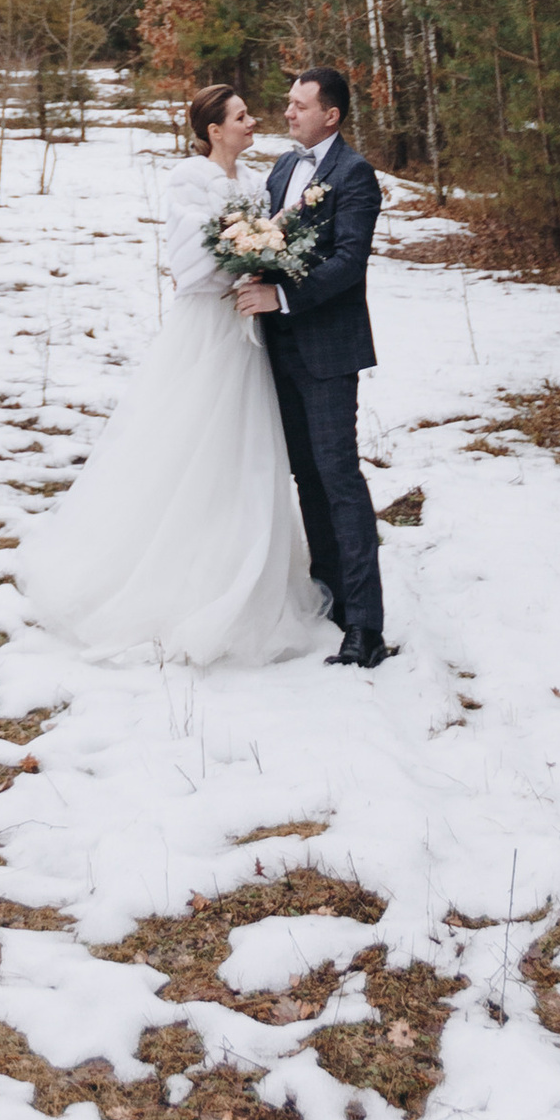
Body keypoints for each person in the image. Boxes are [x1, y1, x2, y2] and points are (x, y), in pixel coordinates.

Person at [15, 83, 330, 668]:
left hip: (248, 331)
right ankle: (171, 576)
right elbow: (191, 264)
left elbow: (269, 235)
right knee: (191, 442)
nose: (252, 121)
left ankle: (246, 567)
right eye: (241, 116)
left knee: (245, 450)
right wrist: (242, 262)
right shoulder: (191, 179)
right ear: (215, 130)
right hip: (208, 327)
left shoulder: (254, 183)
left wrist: (267, 259)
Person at [233, 66, 391, 668]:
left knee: (339, 477)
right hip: (280, 346)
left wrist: (284, 296)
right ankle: (330, 592)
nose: (288, 112)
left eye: (301, 105)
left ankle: (366, 626)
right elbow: (270, 243)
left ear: (332, 116)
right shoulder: (280, 168)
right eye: (288, 102)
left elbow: (349, 263)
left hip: (328, 348)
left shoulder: (355, 176)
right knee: (306, 474)